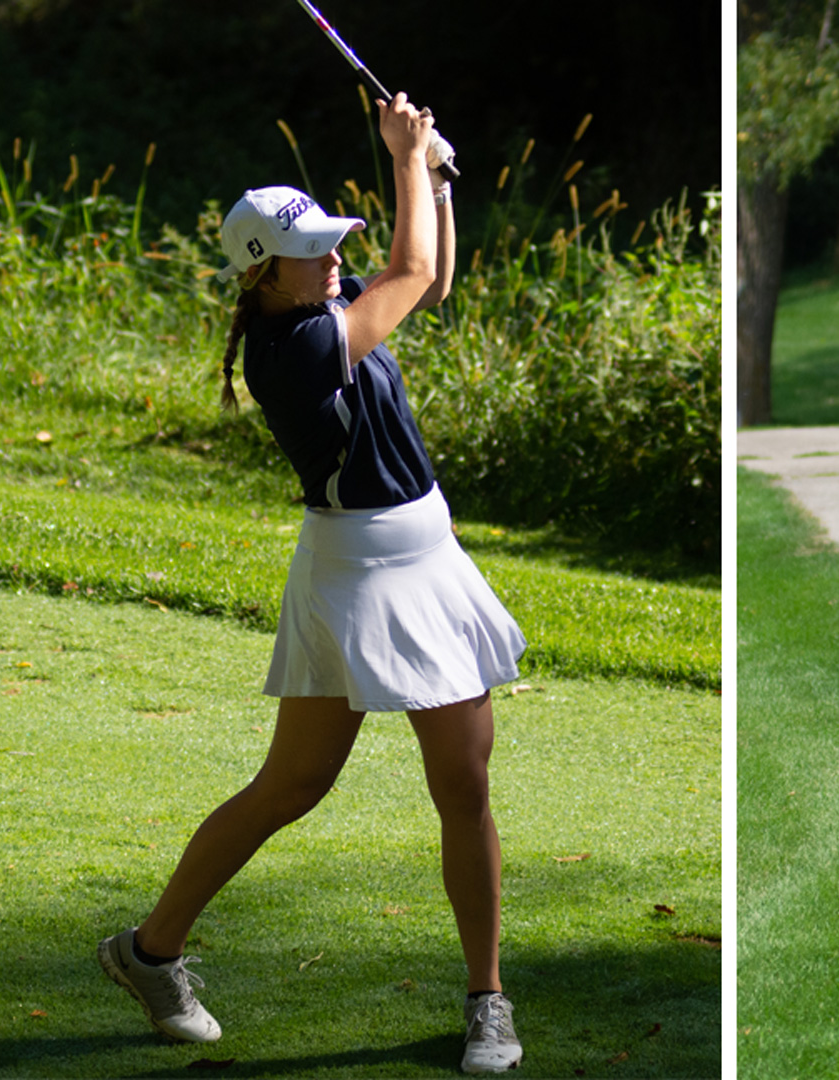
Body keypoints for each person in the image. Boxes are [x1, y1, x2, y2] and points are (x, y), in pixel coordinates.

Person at [96, 94, 528, 1075]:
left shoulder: (323, 309)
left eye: (337, 246)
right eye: (318, 250)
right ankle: (149, 953)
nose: (338, 260)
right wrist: (407, 155)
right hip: (353, 573)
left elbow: (434, 279)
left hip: (427, 558)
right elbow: (411, 273)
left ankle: (487, 1000)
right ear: (262, 271)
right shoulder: (287, 352)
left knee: (462, 782)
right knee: (293, 784)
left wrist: (439, 185)